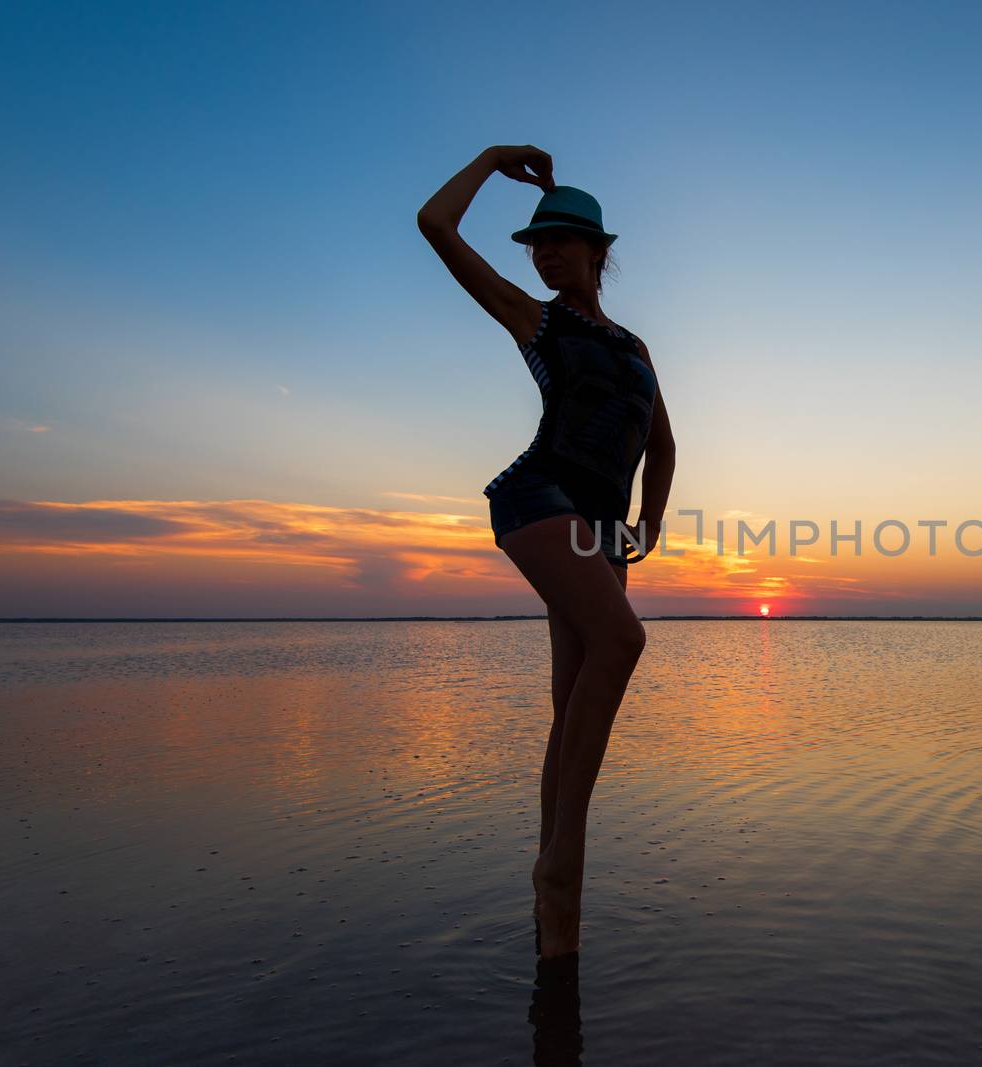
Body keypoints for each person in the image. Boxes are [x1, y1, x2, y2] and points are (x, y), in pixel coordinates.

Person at [417, 144, 677, 959]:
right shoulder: (537, 319)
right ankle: (565, 860)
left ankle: (551, 911)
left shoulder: (636, 348)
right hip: (539, 498)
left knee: (572, 707)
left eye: (565, 241)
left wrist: (648, 527)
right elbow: (434, 223)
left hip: (605, 530)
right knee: (623, 641)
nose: (549, 253)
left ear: (602, 253)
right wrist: (493, 159)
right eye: (539, 244)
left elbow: (662, 444)